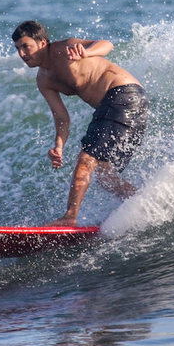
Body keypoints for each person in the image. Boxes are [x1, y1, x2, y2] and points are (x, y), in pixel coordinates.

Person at [12, 20, 149, 226]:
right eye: (18, 49)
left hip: (123, 94)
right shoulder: (44, 80)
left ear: (42, 43)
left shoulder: (63, 48)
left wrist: (87, 53)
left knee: (86, 160)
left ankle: (69, 218)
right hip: (127, 107)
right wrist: (58, 146)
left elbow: (107, 44)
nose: (22, 54)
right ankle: (146, 206)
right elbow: (61, 117)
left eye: (26, 46)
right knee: (104, 175)